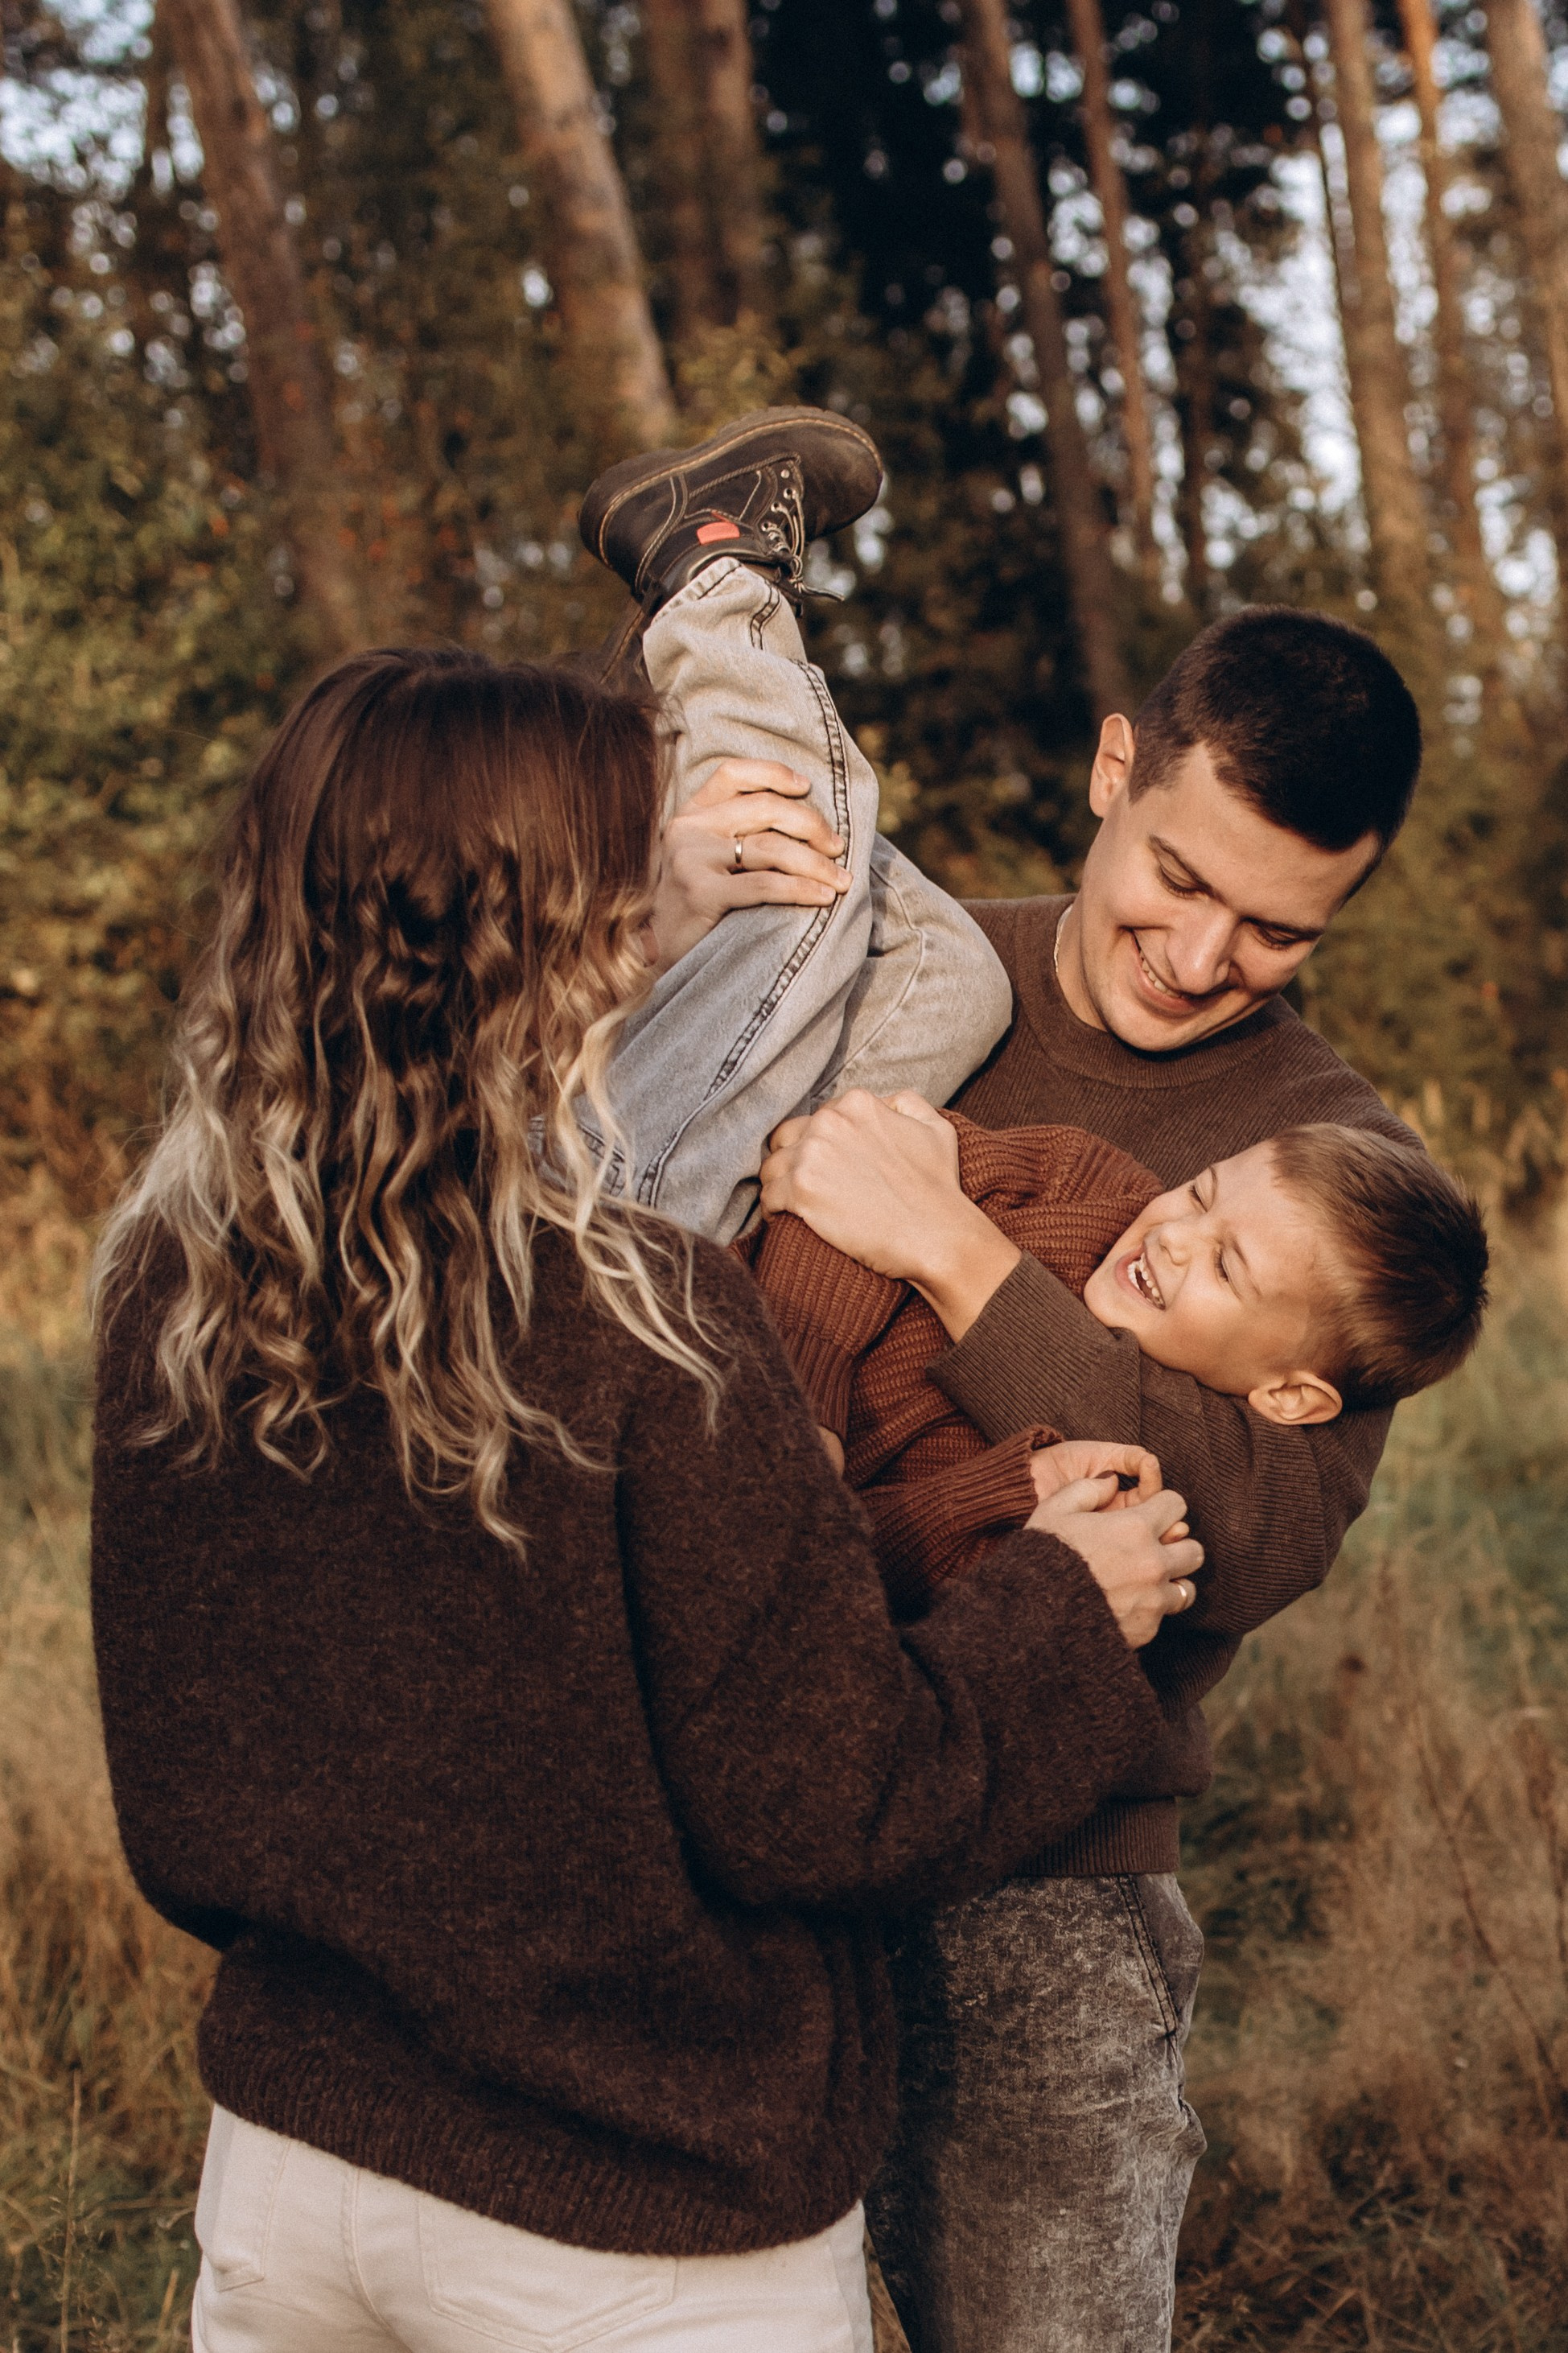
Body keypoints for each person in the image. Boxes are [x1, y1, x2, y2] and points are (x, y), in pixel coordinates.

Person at [88, 645, 1204, 2353]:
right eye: (623, 874)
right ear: (549, 928)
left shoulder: (174, 1274)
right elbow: (833, 1803)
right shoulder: (648, 1321)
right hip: (632, 2227)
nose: (648, 919)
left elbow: (190, 1799)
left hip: (291, 2172)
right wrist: (1058, 1597)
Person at [571, 408, 1431, 2351]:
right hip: (729, 1814)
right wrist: (666, 903)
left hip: (1037, 1875)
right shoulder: (911, 970)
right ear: (1116, 767)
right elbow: (621, 1155)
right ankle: (713, 568)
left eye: (1280, 925)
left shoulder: (1326, 1165)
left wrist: (950, 1246)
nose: (1206, 953)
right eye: (1179, 877)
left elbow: (1239, 1523)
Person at [747, 1109, 1487, 1610]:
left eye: (1226, 1268)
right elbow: (863, 1179)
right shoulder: (1082, 1184)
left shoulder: (1099, 1496)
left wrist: (981, 1496)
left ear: (1288, 1397)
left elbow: (855, 1586)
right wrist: (796, 1412)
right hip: (715, 1376)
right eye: (1200, 1193)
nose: (1173, 1236)